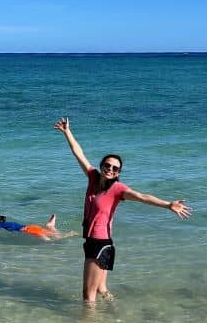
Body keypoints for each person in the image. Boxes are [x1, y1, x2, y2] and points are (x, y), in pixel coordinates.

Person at [54, 117, 192, 305]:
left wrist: (168, 205)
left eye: (114, 168)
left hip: (100, 244)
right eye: (107, 165)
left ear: (118, 173)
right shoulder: (93, 177)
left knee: (88, 297)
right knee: (102, 289)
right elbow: (78, 153)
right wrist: (67, 132)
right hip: (95, 242)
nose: (110, 169)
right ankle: (114, 314)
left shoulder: (118, 190)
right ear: (102, 166)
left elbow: (143, 197)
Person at [0, 209, 78, 241]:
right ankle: (50, 225)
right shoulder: (7, 223)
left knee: (52, 239)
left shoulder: (1, 225)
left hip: (30, 230)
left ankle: (71, 233)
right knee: (51, 233)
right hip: (32, 227)